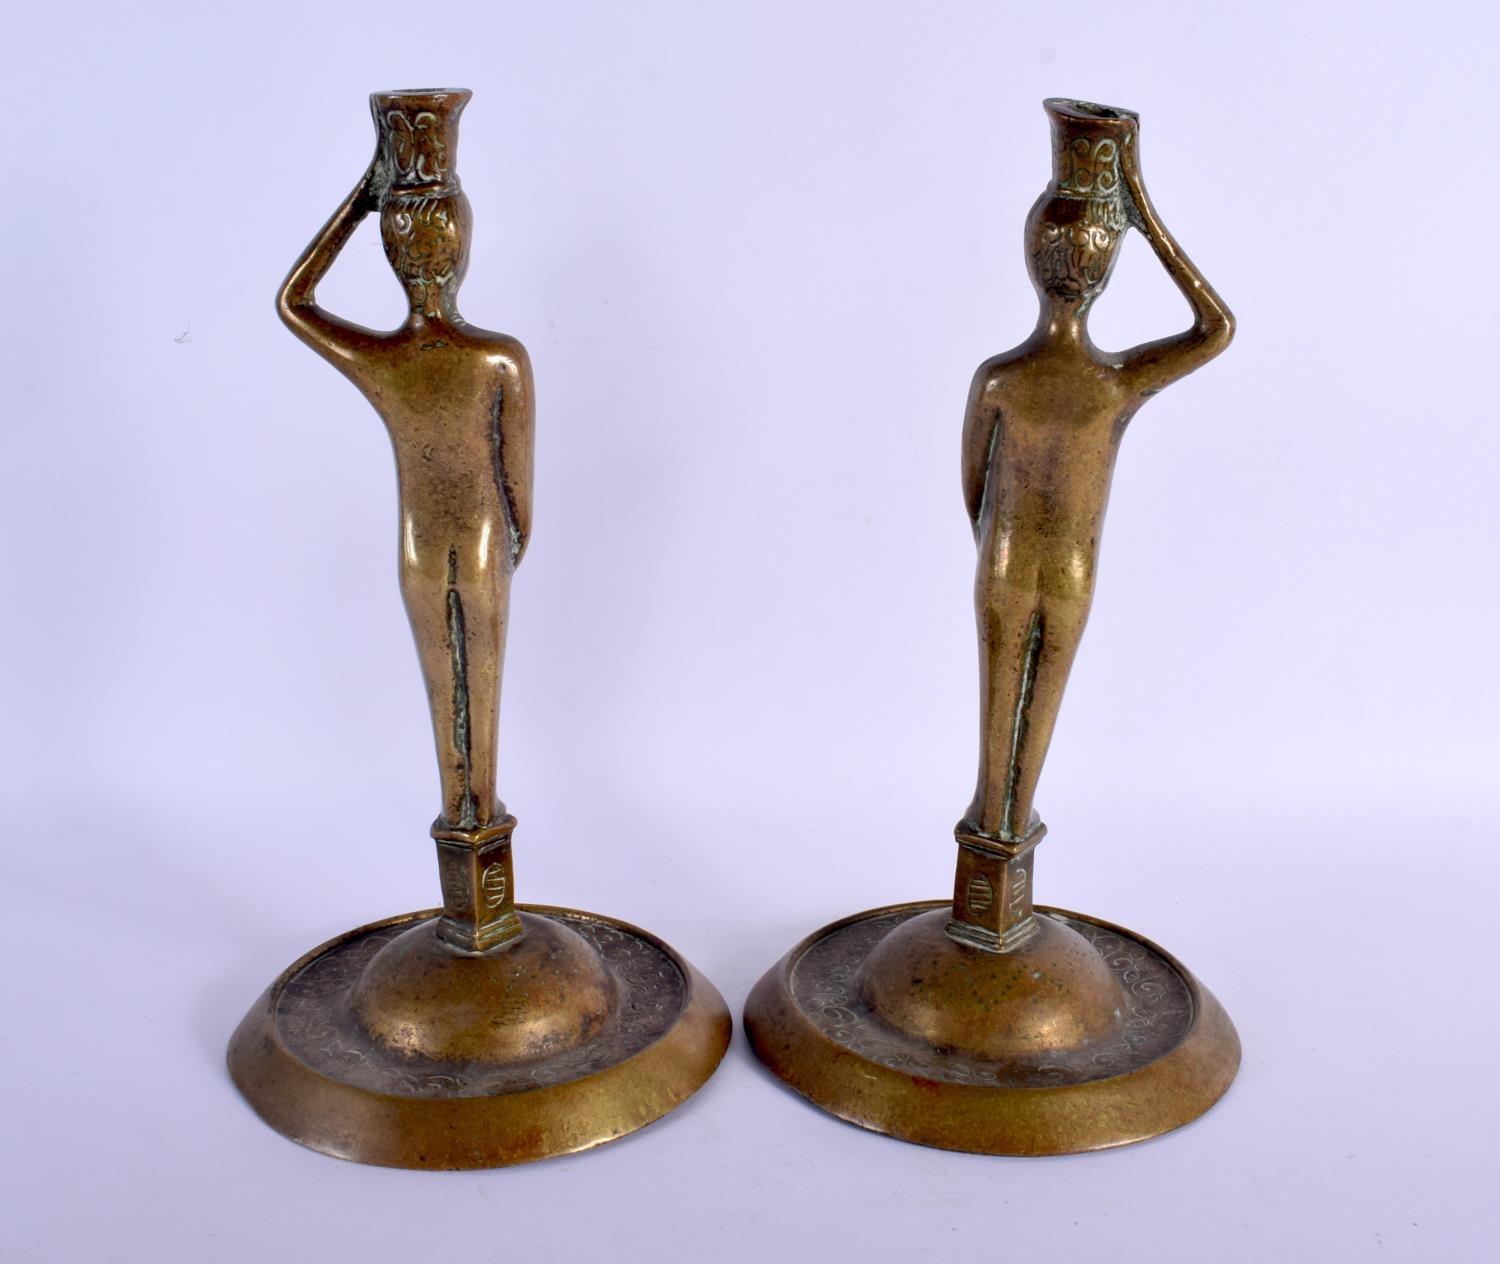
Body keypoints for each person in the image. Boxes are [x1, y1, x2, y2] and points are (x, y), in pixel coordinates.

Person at [959, 102, 1234, 844]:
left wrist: (997, 541)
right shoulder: (1114, 384)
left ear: (1029, 259)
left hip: (1004, 563)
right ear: (1108, 274)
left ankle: (991, 832)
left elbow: (974, 490)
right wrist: (1141, 210)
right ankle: (1007, 834)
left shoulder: (1001, 379)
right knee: (1039, 710)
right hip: (1071, 571)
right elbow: (1216, 328)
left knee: (998, 714)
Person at [275, 137, 534, 835]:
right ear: (463, 249)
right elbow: (520, 501)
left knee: (448, 698)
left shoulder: (391, 359)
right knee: (478, 695)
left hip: (421, 547)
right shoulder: (497, 359)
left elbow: (295, 302)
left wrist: (365, 199)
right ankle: (480, 827)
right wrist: (507, 549)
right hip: (482, 544)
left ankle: (466, 822)